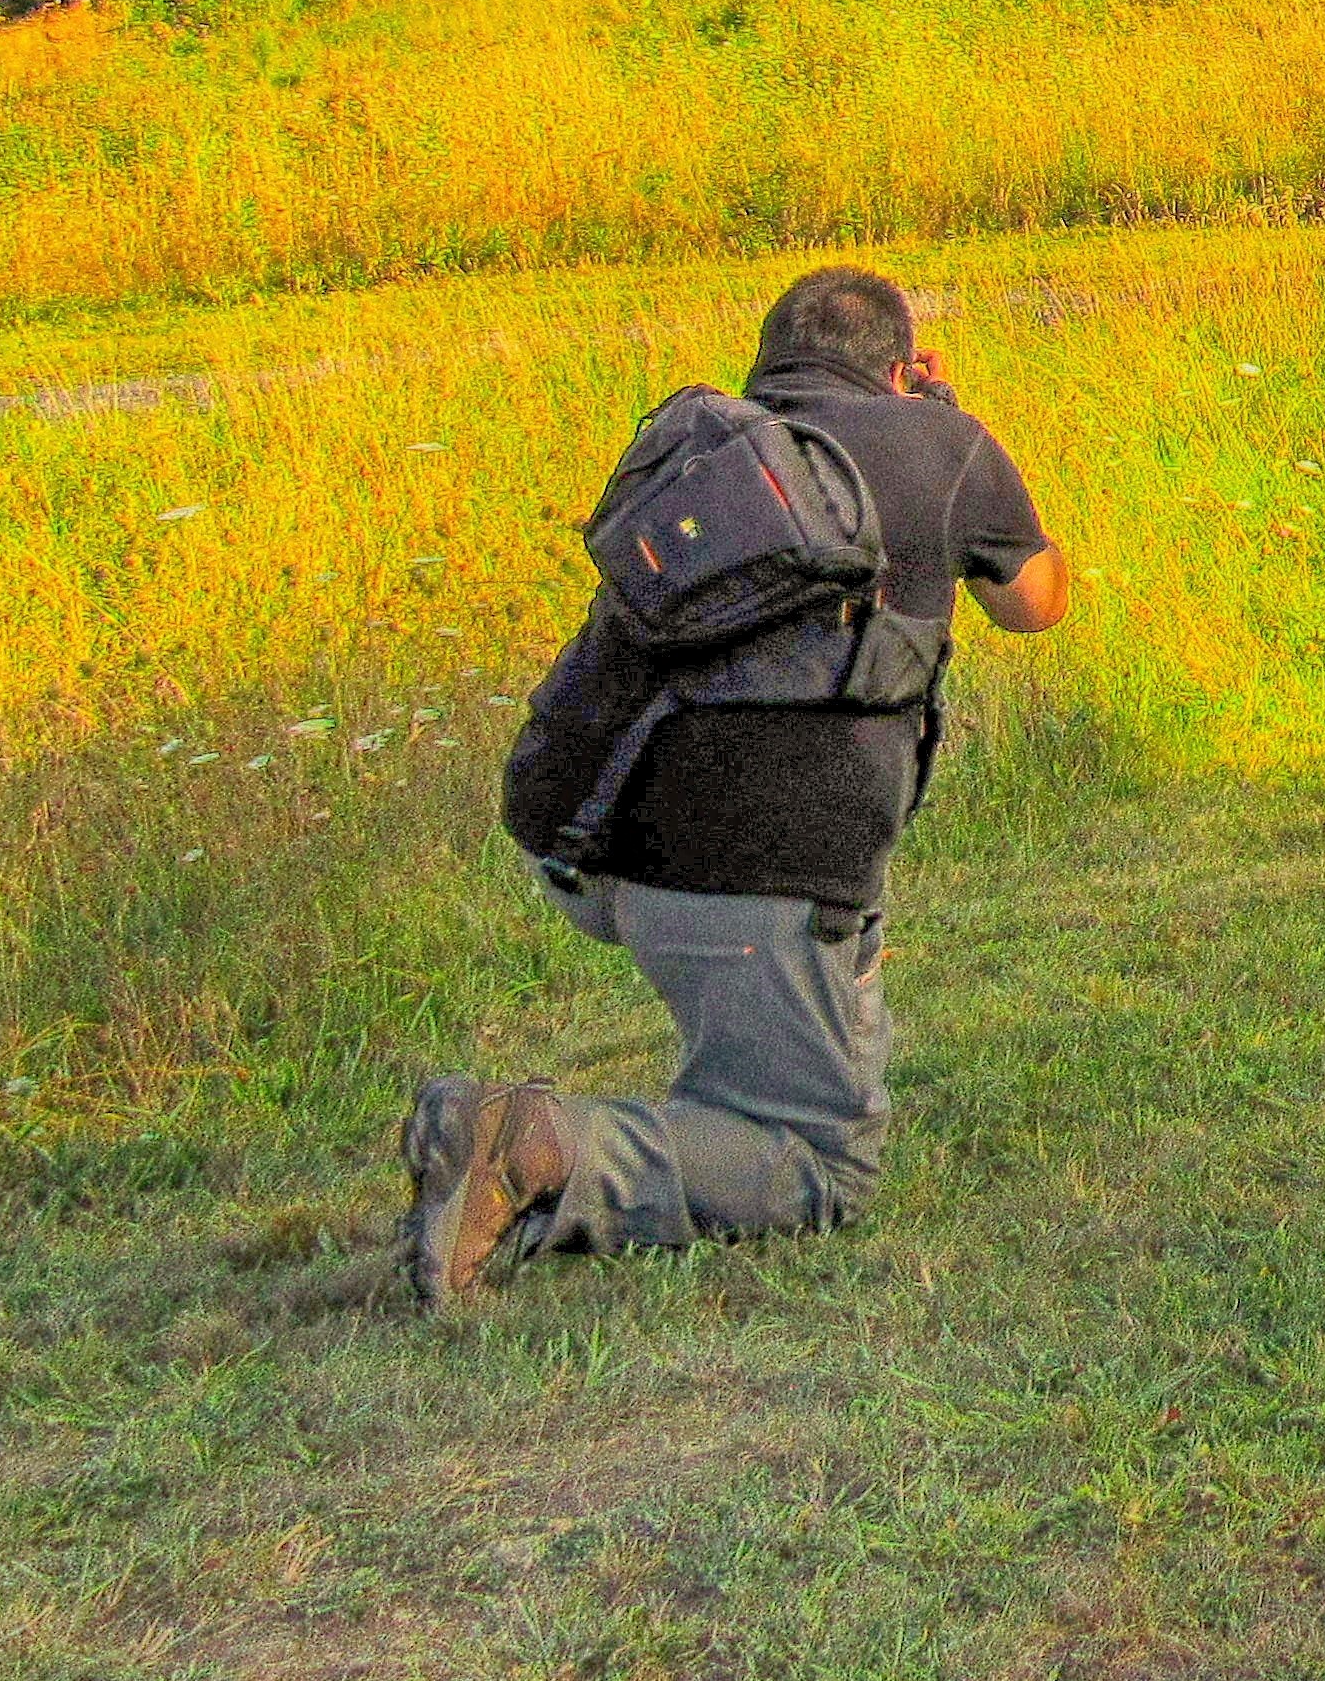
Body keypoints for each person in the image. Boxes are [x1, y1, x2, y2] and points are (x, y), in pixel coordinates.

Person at [399, 265, 1068, 1309]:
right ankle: (533, 1142)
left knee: (801, 1000)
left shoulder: (713, 452)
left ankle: (731, 1098)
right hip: (749, 876)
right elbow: (1036, 603)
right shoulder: (942, 440)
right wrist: (946, 417)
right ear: (900, 369)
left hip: (584, 837)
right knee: (815, 1166)